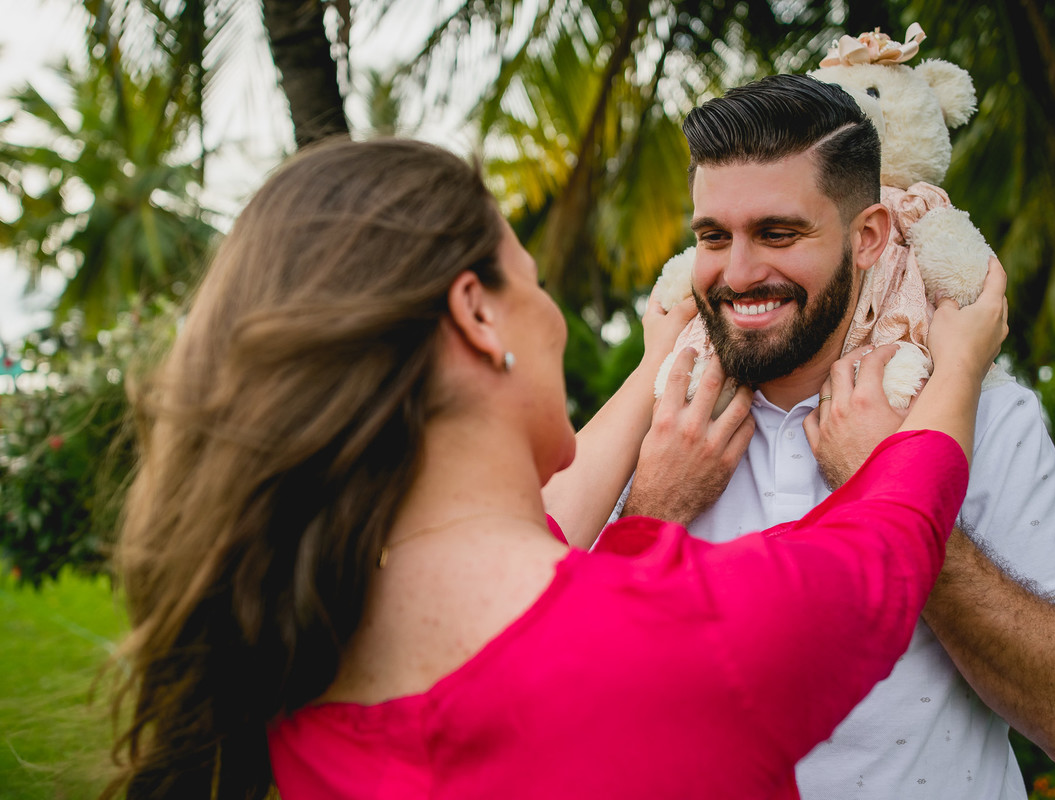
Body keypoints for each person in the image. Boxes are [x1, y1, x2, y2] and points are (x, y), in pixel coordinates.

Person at [103, 136, 1007, 800]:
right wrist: (960, 364)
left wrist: (658, 392)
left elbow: (539, 599)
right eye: (531, 280)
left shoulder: (306, 650)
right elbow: (886, 543)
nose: (556, 317)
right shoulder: (697, 639)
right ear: (478, 313)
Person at [619, 74, 1055, 798]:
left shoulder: (984, 411)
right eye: (712, 237)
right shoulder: (653, 424)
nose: (738, 273)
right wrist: (654, 512)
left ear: (869, 236)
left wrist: (893, 496)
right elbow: (544, 695)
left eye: (778, 233)